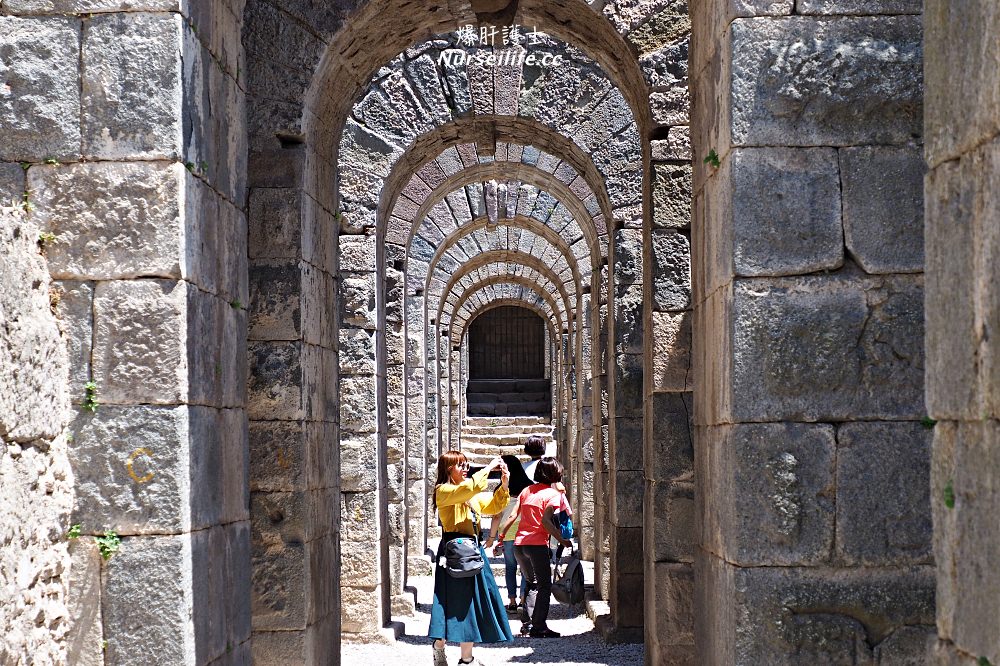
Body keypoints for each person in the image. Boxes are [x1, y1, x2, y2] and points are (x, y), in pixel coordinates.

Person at [430, 451, 513, 666]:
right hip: (454, 553)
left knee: (470, 604)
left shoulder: (467, 491)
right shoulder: (443, 491)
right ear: (449, 469)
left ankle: (466, 659)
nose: (466, 468)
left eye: (466, 464)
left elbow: (493, 506)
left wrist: (504, 486)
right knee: (448, 601)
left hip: (473, 551)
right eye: (461, 465)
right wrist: (487, 468)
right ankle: (440, 644)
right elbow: (469, 489)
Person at [499, 457, 572, 638]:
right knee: (544, 585)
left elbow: (512, 517)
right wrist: (562, 540)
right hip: (536, 545)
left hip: (519, 545)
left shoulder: (526, 491)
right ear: (555, 474)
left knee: (531, 583)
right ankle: (539, 626)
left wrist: (501, 537)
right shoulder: (552, 495)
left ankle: (528, 624)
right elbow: (546, 522)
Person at [484, 435, 546, 611]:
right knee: (527, 569)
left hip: (508, 534)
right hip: (526, 533)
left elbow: (496, 516)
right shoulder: (528, 488)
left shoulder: (501, 490)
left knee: (510, 567)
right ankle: (523, 598)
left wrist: (493, 537)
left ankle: (511, 601)